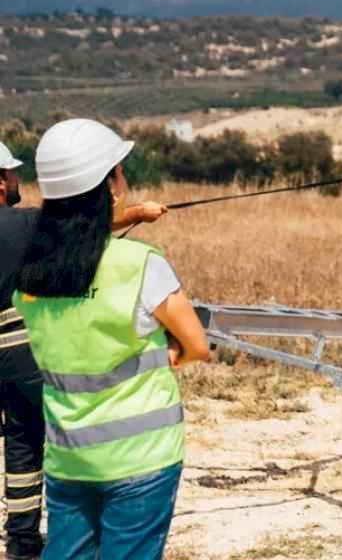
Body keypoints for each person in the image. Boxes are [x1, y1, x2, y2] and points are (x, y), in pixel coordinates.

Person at [10, 119, 209, 560]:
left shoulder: (32, 276)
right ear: (112, 186)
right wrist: (172, 354)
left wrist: (134, 215)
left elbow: (74, 252)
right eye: (119, 170)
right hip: (142, 457)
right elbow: (196, 345)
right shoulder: (139, 264)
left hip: (69, 457)